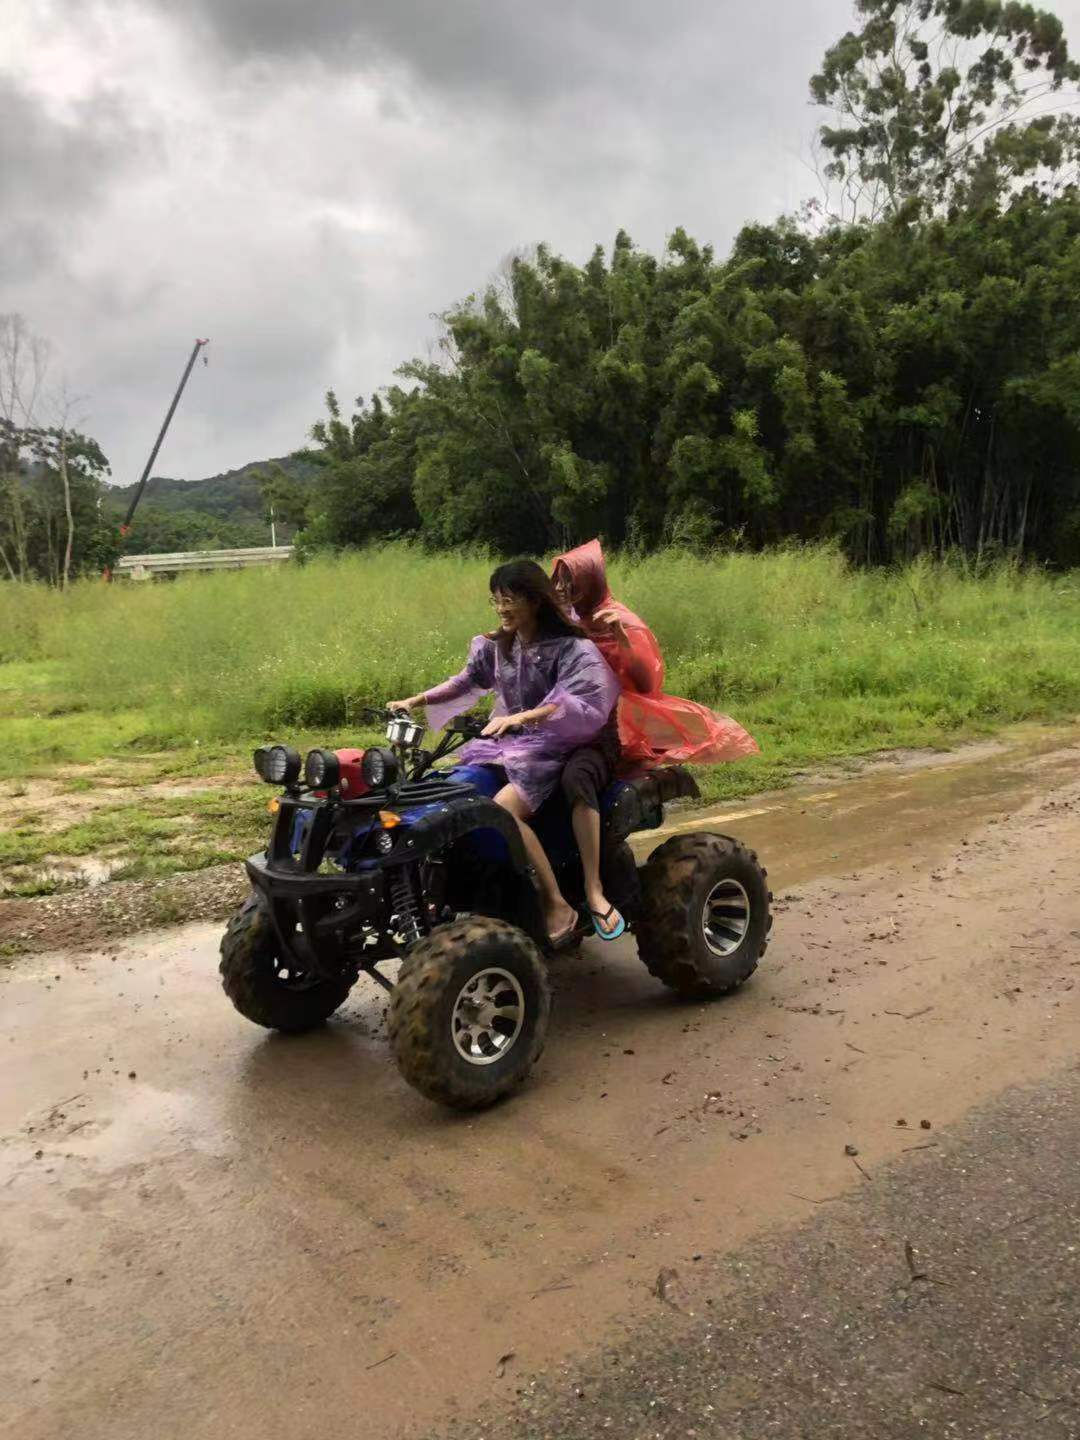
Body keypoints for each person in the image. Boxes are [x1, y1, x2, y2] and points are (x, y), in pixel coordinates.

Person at [388, 559, 620, 947]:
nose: (501, 608)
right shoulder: (499, 646)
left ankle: (557, 903)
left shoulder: (573, 649)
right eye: (495, 600)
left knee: (502, 810)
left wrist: (521, 718)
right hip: (505, 745)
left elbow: (577, 700)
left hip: (549, 748)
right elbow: (465, 681)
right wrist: (415, 700)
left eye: (509, 600)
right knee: (451, 791)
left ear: (535, 600)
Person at [552, 539, 758, 941]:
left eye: (569, 581)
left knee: (576, 779)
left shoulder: (615, 620)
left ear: (590, 581)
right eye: (556, 580)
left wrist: (619, 637)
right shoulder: (557, 621)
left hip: (598, 734)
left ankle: (594, 888)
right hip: (554, 730)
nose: (561, 588)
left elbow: (646, 681)